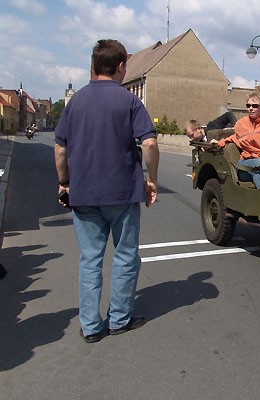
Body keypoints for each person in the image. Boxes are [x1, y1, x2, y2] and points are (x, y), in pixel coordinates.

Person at [54, 39, 160, 344]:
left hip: (84, 194)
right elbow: (150, 143)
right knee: (125, 256)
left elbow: (60, 148)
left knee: (90, 260)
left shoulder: (75, 103)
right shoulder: (129, 102)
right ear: (121, 66)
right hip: (123, 194)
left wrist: (65, 182)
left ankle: (90, 326)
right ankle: (119, 319)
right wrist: (151, 178)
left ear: (94, 66)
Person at [210, 91, 260, 189]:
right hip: (246, 163)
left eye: (254, 106)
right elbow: (234, 138)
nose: (250, 108)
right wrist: (218, 143)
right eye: (248, 105)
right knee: (258, 166)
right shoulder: (241, 124)